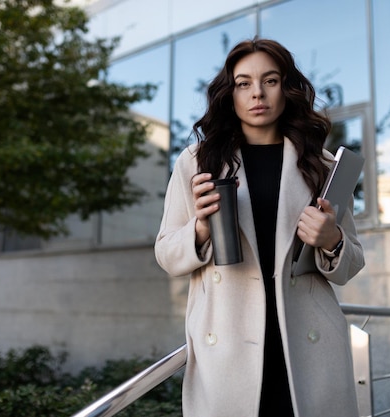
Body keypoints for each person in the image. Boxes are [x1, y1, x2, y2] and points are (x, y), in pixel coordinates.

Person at [154, 38, 365, 417]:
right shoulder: (197, 163)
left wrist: (331, 239)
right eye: (243, 83)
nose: (257, 94)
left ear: (287, 89)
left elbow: (352, 264)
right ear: (229, 92)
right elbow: (167, 254)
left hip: (307, 348)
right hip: (228, 348)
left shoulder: (322, 165)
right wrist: (201, 230)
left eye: (270, 80)